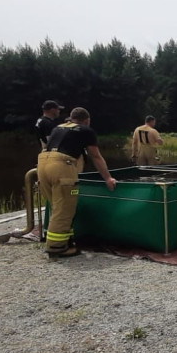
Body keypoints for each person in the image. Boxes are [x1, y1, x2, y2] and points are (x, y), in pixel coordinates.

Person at [37, 106, 116, 259]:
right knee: (65, 208)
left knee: (56, 205)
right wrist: (107, 178)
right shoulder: (86, 130)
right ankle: (56, 247)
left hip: (42, 164)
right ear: (87, 120)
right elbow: (96, 156)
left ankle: (65, 239)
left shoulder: (58, 128)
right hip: (61, 166)